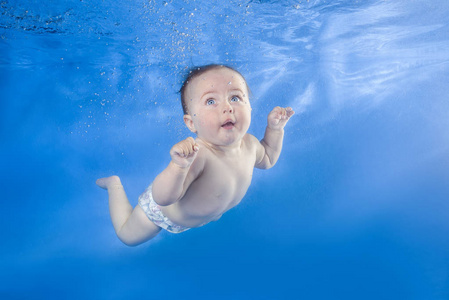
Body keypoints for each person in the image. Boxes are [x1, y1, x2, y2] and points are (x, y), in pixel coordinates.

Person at [96, 64, 294, 246]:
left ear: (250, 107)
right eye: (210, 101)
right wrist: (179, 166)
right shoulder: (199, 155)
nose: (227, 107)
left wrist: (275, 129)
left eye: (235, 97)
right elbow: (162, 198)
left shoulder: (251, 144)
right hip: (162, 214)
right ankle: (114, 184)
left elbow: (267, 159)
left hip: (203, 216)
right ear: (191, 123)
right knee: (127, 237)